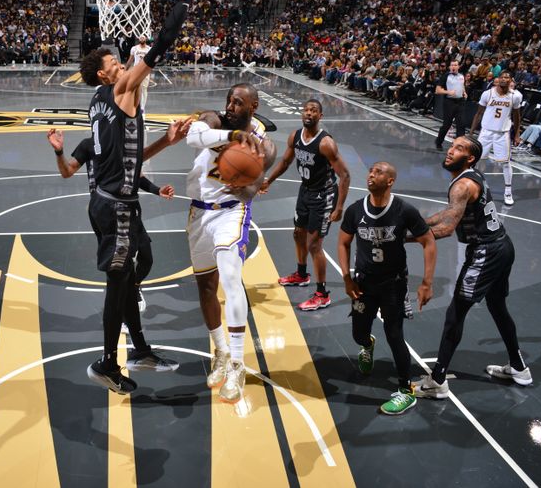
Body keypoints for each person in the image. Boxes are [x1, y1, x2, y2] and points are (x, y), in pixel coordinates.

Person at [80, 0, 200, 395]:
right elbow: (164, 42)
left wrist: (167, 142)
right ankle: (108, 362)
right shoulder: (119, 90)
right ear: (105, 72)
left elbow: (124, 158)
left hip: (116, 200)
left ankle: (141, 349)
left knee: (140, 261)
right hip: (114, 206)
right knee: (119, 283)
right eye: (116, 62)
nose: (122, 64)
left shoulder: (99, 100)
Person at [414, 136, 532, 400]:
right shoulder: (471, 176)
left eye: (458, 149)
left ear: (469, 158)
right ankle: (519, 368)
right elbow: (450, 212)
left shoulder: (462, 185)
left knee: (456, 312)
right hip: (502, 246)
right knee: (498, 308)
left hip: (486, 252)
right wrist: (418, 224)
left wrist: (406, 237)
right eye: (452, 145)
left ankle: (438, 380)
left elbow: (446, 228)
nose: (450, 151)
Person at [185, 83, 276, 403]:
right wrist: (232, 138)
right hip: (198, 214)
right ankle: (221, 352)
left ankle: (237, 363)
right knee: (206, 287)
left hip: (230, 214)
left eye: (238, 103)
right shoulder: (213, 120)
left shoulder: (266, 144)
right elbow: (191, 138)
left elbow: (254, 188)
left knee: (231, 279)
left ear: (253, 106)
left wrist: (240, 178)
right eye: (229, 100)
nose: (230, 106)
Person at [338, 162, 436, 415]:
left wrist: (426, 282)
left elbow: (428, 241)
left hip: (393, 284)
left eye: (379, 172)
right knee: (358, 334)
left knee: (394, 334)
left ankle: (406, 391)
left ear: (390, 181)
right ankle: (367, 344)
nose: (372, 174)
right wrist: (346, 278)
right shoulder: (355, 210)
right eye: (371, 171)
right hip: (363, 282)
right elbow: (343, 243)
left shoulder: (404, 210)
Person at [46, 129, 175, 321]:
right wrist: (59, 151)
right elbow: (67, 172)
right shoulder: (88, 145)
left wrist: (157, 190)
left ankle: (134, 287)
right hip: (105, 211)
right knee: (118, 268)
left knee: (146, 257)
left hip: (129, 206)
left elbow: (136, 175)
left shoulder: (124, 144)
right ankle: (121, 312)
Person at [261, 99, 351, 310]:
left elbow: (345, 175)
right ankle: (301, 275)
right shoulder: (295, 136)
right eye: (306, 109)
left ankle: (322, 294)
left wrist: (339, 207)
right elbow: (285, 162)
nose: (308, 113)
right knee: (297, 234)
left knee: (314, 245)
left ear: (320, 116)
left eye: (314, 111)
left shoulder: (325, 143)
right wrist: (268, 180)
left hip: (324, 195)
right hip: (305, 191)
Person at [468, 70, 521, 206]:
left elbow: (517, 116)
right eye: (502, 77)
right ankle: (476, 188)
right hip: (485, 132)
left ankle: (508, 191)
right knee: (477, 160)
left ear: (510, 80)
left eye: (507, 77)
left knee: (506, 162)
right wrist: (471, 133)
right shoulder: (488, 93)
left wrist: (517, 134)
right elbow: (479, 113)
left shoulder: (515, 96)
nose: (504, 79)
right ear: (498, 79)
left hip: (502, 133)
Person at [434, 60, 468, 150]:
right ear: (449, 67)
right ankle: (439, 141)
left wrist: (464, 92)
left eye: (455, 65)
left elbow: (462, 86)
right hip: (449, 102)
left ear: (458, 66)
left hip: (460, 102)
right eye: (452, 65)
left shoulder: (461, 76)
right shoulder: (446, 76)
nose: (453, 66)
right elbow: (437, 90)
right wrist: (448, 92)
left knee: (461, 124)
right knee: (447, 125)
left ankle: (459, 145)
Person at [126, 36, 152, 116]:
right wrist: (125, 69)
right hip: (136, 71)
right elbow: (130, 60)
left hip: (145, 71)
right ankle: (134, 106)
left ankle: (142, 108)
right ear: (138, 39)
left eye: (143, 37)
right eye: (140, 37)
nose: (142, 39)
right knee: (134, 89)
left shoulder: (149, 49)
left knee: (144, 89)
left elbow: (151, 60)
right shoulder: (134, 48)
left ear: (146, 39)